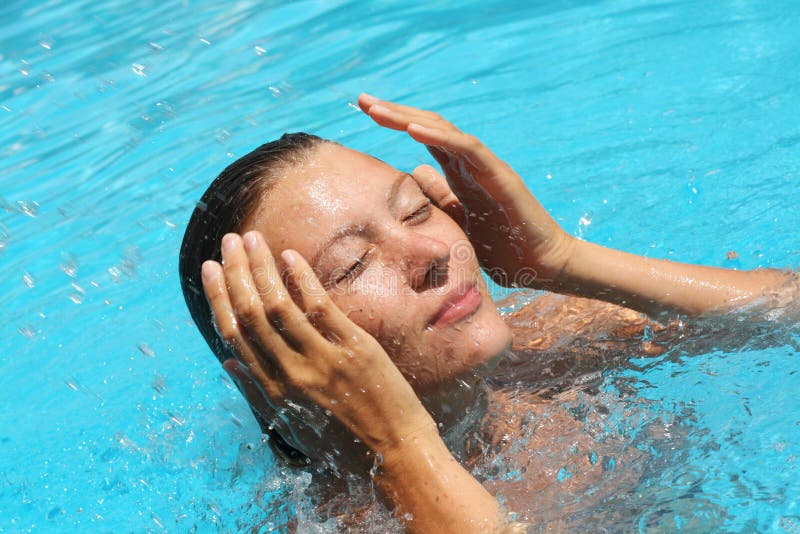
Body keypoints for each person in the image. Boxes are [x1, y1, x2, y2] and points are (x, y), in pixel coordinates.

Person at [178, 94, 795, 532]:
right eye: (352, 266)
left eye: (417, 209)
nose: (429, 252)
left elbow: (786, 311)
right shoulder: (333, 525)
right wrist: (398, 449)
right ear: (268, 379)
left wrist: (561, 259)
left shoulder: (535, 359)